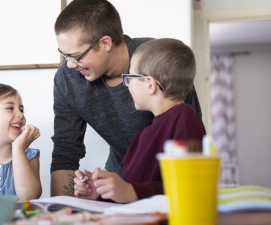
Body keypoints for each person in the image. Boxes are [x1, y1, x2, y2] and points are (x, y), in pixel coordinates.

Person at [51, 0, 202, 196]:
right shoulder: (67, 80)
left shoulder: (157, 61)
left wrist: (131, 191)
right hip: (123, 184)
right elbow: (65, 151)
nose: (70, 65)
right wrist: (66, 211)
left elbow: (191, 153)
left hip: (166, 189)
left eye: (76, 56)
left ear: (105, 43)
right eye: (64, 55)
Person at [73, 38, 206, 203]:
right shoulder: (143, 136)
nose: (127, 85)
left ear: (150, 84)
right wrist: (100, 192)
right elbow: (132, 193)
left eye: (129, 77)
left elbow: (189, 188)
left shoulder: (184, 119)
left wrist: (130, 191)